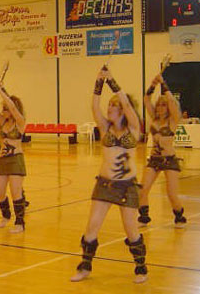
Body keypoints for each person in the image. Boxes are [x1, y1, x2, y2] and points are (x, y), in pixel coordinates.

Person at [71, 66, 147, 283]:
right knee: (92, 225)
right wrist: (99, 83)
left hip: (127, 186)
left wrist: (113, 81)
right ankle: (85, 266)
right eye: (110, 103)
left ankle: (141, 267)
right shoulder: (104, 128)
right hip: (105, 184)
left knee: (131, 229)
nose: (111, 106)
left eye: (115, 104)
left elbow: (127, 105)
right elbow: (94, 105)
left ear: (123, 109)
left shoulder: (133, 128)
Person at [138, 74, 186, 228]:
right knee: (143, 189)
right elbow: (146, 99)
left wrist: (163, 84)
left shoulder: (173, 121)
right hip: (154, 160)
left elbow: (172, 101)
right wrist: (152, 86)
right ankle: (144, 217)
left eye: (163, 105)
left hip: (169, 160)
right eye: (158, 105)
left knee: (171, 194)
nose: (159, 108)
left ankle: (179, 215)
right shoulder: (154, 118)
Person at [0, 80, 27, 233]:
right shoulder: (2, 121)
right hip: (2, 161)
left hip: (16, 160)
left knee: (16, 192)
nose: (3, 111)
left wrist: (2, 89)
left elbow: (11, 105)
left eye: (6, 109)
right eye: (3, 109)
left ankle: (20, 223)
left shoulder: (20, 122)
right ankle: (6, 215)